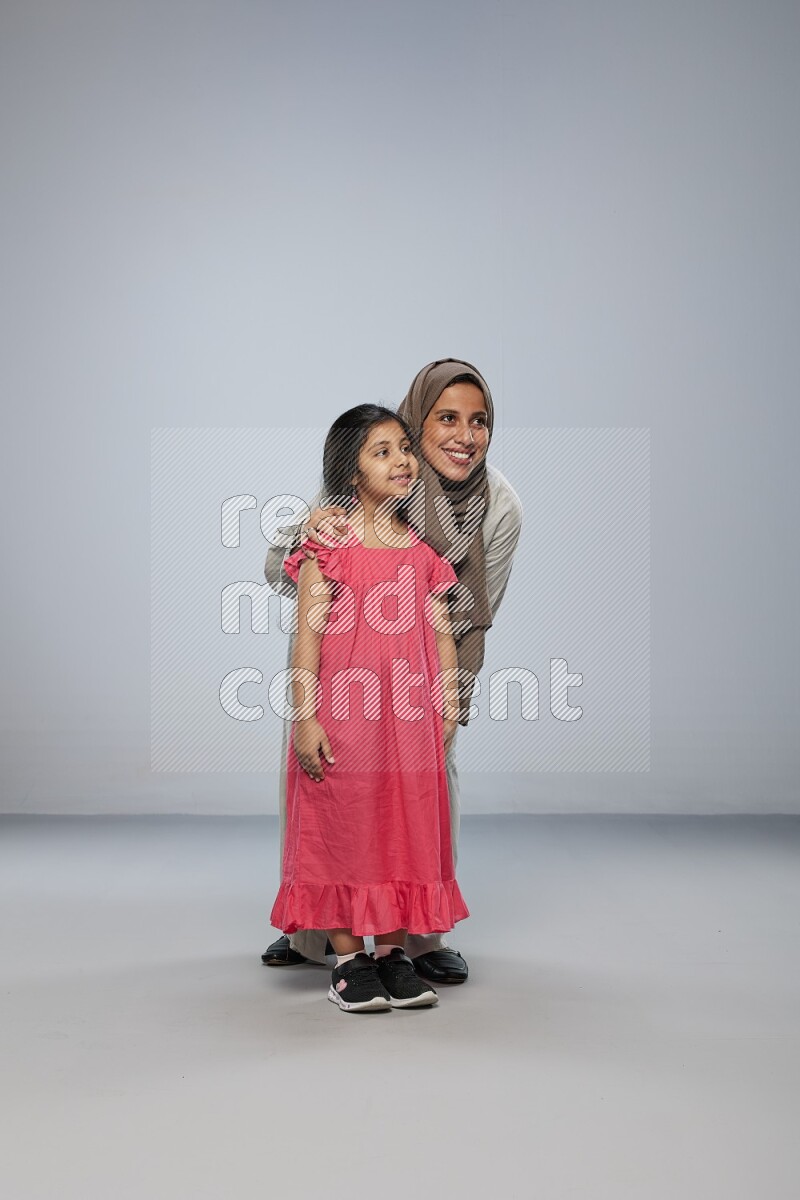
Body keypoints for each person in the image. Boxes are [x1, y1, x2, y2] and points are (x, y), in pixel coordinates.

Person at [263, 358, 523, 984]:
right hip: (339, 669)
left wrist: (447, 698)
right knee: (325, 790)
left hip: (420, 675)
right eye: (447, 419)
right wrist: (313, 528)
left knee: (423, 795)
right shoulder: (349, 494)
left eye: (479, 421)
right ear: (417, 422)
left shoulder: (501, 506)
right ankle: (315, 934)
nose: (465, 435)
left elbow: (467, 614)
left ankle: (418, 939)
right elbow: (284, 570)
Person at [270, 404, 468, 1012]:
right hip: (344, 715)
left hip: (407, 722)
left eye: (403, 447)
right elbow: (307, 637)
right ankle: (350, 958)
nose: (402, 459)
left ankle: (393, 953)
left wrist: (449, 701)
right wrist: (305, 716)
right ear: (351, 473)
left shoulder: (423, 553)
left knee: (401, 825)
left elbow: (440, 634)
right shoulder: (324, 549)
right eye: (381, 451)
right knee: (344, 823)